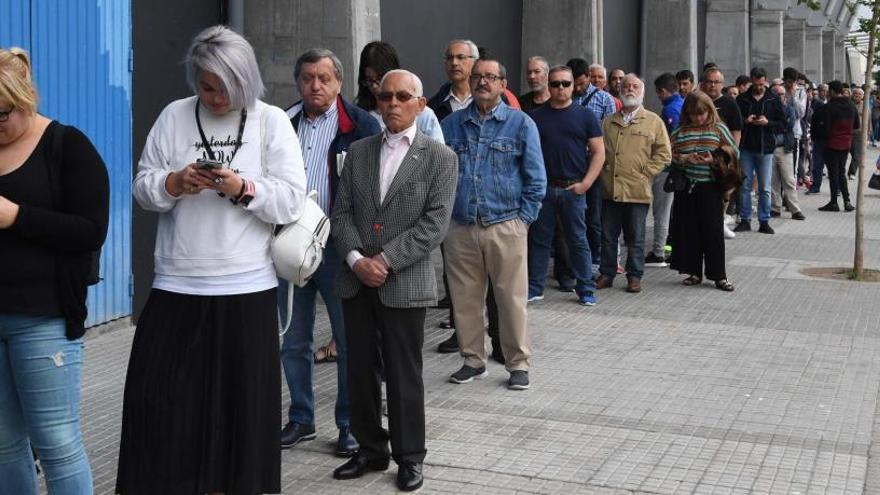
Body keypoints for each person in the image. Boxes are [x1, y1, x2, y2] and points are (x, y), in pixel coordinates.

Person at [118, 26, 307, 494]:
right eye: (206, 86)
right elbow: (142, 188)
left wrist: (242, 188)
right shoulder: (174, 116)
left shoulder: (270, 122)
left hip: (245, 288)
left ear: (246, 80)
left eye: (226, 87)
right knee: (160, 407)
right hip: (177, 285)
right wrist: (174, 183)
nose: (215, 96)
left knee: (241, 416)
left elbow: (290, 201)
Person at [330, 69, 457, 492]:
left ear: (421, 105)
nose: (393, 104)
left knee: (404, 373)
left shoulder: (440, 157)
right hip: (356, 280)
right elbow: (341, 211)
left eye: (404, 96)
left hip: (403, 280)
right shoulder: (360, 151)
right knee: (360, 369)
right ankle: (370, 449)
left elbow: (435, 223)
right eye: (386, 96)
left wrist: (384, 259)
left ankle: (409, 456)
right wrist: (354, 258)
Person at [0, 46, 109, 495]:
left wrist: (15, 216)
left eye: (2, 113)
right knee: (4, 446)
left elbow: (90, 231)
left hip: (42, 321)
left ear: (26, 99)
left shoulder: (67, 145)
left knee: (57, 442)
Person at [280, 48, 381, 456]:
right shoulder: (283, 122)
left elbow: (374, 187)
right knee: (292, 340)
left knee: (348, 340)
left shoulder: (360, 124)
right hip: (290, 247)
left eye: (324, 78)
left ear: (339, 83)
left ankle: (349, 425)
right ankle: (301, 418)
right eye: (307, 78)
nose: (315, 85)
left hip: (340, 248)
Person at [442, 57, 546, 390]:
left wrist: (523, 221)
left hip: (506, 224)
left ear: (503, 84)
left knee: (511, 299)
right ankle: (473, 360)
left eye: (490, 77)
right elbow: (440, 176)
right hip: (460, 226)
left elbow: (536, 178)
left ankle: (518, 363)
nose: (483, 82)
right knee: (465, 298)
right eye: (478, 77)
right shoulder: (452, 126)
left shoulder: (521, 124)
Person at [527, 66, 605, 305]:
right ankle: (534, 287)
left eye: (565, 83)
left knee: (578, 240)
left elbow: (599, 153)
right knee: (539, 240)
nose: (560, 88)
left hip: (574, 189)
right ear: (548, 86)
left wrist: (586, 183)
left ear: (574, 86)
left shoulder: (585, 116)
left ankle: (586, 289)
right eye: (555, 84)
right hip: (544, 189)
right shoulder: (535, 117)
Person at [595, 74, 671, 293]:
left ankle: (634, 276)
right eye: (626, 85)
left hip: (638, 190)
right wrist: (601, 173)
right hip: (611, 189)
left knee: (636, 237)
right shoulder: (608, 122)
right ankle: (607, 273)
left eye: (635, 86)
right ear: (620, 90)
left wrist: (646, 173)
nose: (630, 89)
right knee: (608, 236)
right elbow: (597, 151)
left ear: (642, 91)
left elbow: (664, 154)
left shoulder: (653, 121)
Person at [668, 91, 739, 291]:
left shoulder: (718, 129)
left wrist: (714, 160)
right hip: (687, 187)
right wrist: (684, 159)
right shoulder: (680, 131)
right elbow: (667, 154)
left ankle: (719, 276)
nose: (699, 118)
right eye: (694, 114)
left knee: (713, 232)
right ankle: (694, 272)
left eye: (702, 113)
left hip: (710, 186)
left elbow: (734, 152)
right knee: (689, 231)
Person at [355, 41, 443, 142]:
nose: (375, 86)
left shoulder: (424, 115)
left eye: (380, 79)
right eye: (369, 81)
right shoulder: (359, 116)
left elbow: (439, 154)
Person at [733, 67, 785, 234]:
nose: (759, 87)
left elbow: (783, 124)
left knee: (764, 187)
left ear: (765, 81)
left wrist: (767, 122)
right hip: (746, 147)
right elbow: (734, 121)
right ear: (751, 81)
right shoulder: (742, 99)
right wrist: (746, 120)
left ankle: (764, 220)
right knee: (745, 186)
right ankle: (745, 219)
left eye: (762, 84)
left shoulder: (773, 99)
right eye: (756, 84)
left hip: (766, 148)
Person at [646, 72, 683, 268]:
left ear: (662, 91)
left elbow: (669, 141)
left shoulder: (670, 110)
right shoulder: (683, 104)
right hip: (678, 167)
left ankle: (658, 252)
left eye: (658, 93)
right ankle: (669, 248)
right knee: (670, 210)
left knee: (661, 211)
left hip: (667, 168)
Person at [813, 80, 859, 212]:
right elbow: (856, 125)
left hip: (831, 143)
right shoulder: (851, 105)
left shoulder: (828, 107)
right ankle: (847, 201)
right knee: (841, 172)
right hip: (846, 143)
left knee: (834, 174)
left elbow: (825, 128)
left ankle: (834, 202)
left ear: (832, 91)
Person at [770, 83, 806, 220]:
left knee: (789, 180)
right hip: (771, 148)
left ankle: (795, 209)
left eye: (782, 94)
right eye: (777, 94)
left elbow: (789, 124)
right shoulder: (769, 108)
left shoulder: (789, 108)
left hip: (785, 147)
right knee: (773, 181)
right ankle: (775, 208)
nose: (780, 96)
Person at [847, 88, 865, 180]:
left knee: (856, 155)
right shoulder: (848, 104)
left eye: (859, 94)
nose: (857, 96)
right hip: (847, 132)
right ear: (852, 95)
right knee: (843, 153)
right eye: (855, 94)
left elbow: (868, 120)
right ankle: (838, 171)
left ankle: (852, 172)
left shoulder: (865, 106)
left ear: (863, 96)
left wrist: (868, 133)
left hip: (859, 133)